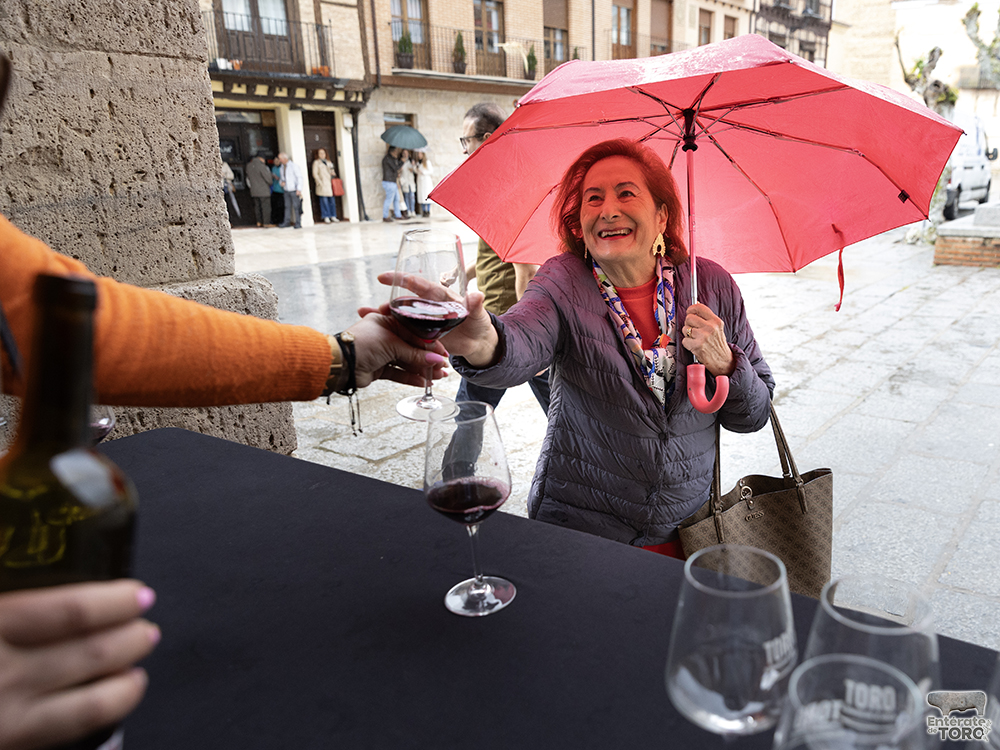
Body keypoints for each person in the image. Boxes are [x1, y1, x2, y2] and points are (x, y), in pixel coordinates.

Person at [379, 138, 774, 553]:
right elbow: (522, 341)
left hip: (689, 532)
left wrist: (726, 361)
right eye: (593, 198)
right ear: (579, 220)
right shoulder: (563, 281)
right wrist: (483, 340)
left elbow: (754, 414)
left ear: (661, 215)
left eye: (626, 193)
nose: (608, 210)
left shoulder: (711, 285)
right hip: (582, 530)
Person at [457, 103, 550, 414]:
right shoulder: (500, 183)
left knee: (469, 410)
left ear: (485, 138)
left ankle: (457, 466)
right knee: (561, 411)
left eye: (466, 140)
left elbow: (527, 267)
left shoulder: (507, 187)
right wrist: (468, 272)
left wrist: (530, 334)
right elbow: (503, 251)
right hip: (506, 319)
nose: (464, 148)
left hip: (503, 322)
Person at [245, 152, 274, 227]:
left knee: (257, 207)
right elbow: (268, 179)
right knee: (265, 207)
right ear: (261, 158)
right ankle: (266, 223)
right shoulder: (261, 166)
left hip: (254, 190)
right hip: (263, 190)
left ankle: (259, 222)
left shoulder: (249, 165)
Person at [311, 148, 339, 224]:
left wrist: (333, 173)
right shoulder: (316, 163)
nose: (322, 155)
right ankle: (326, 216)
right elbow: (315, 174)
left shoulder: (329, 162)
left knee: (332, 201)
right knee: (324, 201)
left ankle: (333, 215)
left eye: (323, 153)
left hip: (330, 184)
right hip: (322, 185)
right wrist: (319, 183)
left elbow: (333, 171)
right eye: (320, 153)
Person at [277, 152, 304, 229]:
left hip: (294, 189)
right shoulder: (282, 167)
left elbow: (299, 177)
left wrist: (299, 188)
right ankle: (287, 222)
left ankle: (298, 223)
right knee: (287, 206)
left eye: (280, 159)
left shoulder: (293, 166)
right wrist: (281, 183)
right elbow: (282, 178)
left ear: (285, 158)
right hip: (286, 189)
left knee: (296, 207)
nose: (279, 160)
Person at [381, 146, 404, 223]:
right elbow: (395, 168)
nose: (396, 153)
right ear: (393, 151)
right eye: (396, 151)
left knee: (396, 199)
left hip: (392, 181)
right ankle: (385, 216)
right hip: (389, 182)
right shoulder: (388, 159)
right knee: (389, 199)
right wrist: (402, 161)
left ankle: (398, 215)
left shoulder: (390, 159)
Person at [414, 151, 435, 217]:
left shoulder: (427, 162)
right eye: (418, 154)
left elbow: (431, 171)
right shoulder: (418, 163)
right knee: (421, 196)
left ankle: (428, 211)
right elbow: (416, 171)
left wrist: (423, 172)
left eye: (420, 154)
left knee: (427, 196)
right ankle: (423, 211)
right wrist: (415, 167)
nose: (419, 155)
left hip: (426, 181)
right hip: (420, 181)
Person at [398, 149, 417, 219]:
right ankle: (408, 210)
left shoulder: (411, 162)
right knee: (406, 197)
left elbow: (415, 170)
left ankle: (413, 210)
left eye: (406, 153)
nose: (405, 155)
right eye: (404, 153)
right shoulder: (401, 162)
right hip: (404, 181)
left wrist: (413, 166)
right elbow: (399, 171)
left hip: (410, 181)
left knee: (412, 197)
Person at [269, 158, 285, 227]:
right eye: (275, 161)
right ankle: (276, 220)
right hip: (275, 189)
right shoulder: (273, 168)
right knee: (275, 206)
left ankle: (281, 220)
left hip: (281, 190)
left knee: (281, 206)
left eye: (277, 161)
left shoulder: (282, 168)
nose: (276, 162)